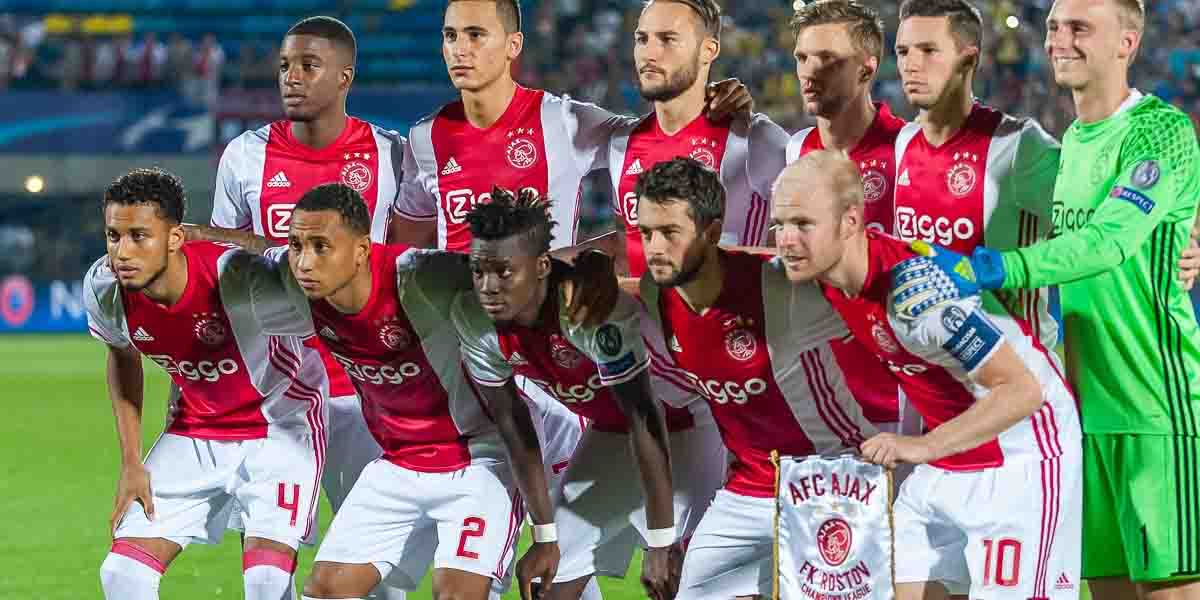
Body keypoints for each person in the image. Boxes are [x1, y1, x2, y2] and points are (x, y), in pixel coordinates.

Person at [900, 1, 1200, 597]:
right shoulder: (1072, 146)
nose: (1059, 40)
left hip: (1155, 413)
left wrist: (994, 267)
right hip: (1081, 412)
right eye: (1055, 27)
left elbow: (1108, 240)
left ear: (1128, 43)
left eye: (1080, 28)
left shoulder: (1159, 129)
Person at [777, 150, 1082, 600]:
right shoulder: (822, 275)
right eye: (779, 224)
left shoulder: (916, 294)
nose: (785, 240)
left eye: (802, 224)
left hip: (1022, 452)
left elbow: (1022, 391)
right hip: (951, 455)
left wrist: (921, 446)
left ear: (850, 221)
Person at [198, 22, 401, 584]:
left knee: (375, 575)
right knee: (267, 574)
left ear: (344, 77)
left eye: (309, 66)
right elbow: (224, 272)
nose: (292, 77)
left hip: (367, 394)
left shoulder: (392, 155)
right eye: (286, 66)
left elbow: (406, 263)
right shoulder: (245, 155)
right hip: (277, 399)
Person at [635, 157, 875, 599]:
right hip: (747, 488)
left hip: (830, 479)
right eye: (646, 232)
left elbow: (876, 294)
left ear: (711, 232)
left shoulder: (785, 288)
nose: (654, 248)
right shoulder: (657, 295)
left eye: (670, 232)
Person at [85, 168, 325, 600]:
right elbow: (122, 355)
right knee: (122, 574)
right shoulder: (105, 288)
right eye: (113, 236)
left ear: (176, 238)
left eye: (139, 236)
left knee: (267, 581)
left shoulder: (236, 277)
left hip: (279, 427)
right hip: (194, 429)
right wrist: (131, 462)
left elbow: (306, 270)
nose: (122, 252)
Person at [450, 188, 676, 600]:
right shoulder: (473, 318)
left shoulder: (586, 307)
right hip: (614, 430)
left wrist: (660, 539)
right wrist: (544, 534)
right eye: (478, 271)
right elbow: (512, 424)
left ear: (541, 266)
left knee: (685, 576)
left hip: (687, 422)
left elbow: (645, 414)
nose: (488, 286)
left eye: (503, 272)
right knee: (549, 585)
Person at [890, 0, 1062, 352]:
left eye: (928, 51)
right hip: (929, 369)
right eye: (903, 51)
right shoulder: (904, 142)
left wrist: (1177, 249)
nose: (911, 64)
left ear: (969, 59)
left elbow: (1096, 227)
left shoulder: (1019, 145)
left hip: (1016, 370)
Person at [786, 0, 911, 436]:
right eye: (802, 57)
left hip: (898, 402)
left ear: (866, 68)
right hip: (819, 401)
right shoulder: (795, 150)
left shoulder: (907, 149)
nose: (809, 72)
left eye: (827, 59)